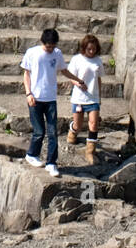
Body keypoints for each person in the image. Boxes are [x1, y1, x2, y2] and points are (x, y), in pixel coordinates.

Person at [21, 28, 89, 177]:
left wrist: (77, 80)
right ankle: (32, 154)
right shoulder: (32, 53)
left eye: (53, 46)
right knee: (39, 131)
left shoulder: (57, 54)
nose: (50, 49)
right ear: (42, 42)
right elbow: (26, 74)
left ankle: (51, 163)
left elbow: (64, 71)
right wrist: (28, 93)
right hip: (35, 98)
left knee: (53, 133)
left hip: (50, 98)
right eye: (48, 46)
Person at [66, 34, 104, 164]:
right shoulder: (77, 59)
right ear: (84, 48)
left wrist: (99, 97)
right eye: (89, 49)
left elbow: (98, 78)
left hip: (93, 98)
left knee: (93, 124)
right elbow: (70, 76)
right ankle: (73, 131)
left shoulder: (98, 61)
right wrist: (78, 83)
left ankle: (90, 151)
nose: (92, 52)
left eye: (94, 49)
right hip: (79, 98)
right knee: (78, 125)